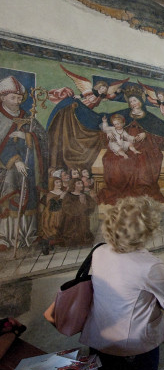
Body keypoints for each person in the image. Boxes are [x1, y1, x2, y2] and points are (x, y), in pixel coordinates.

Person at [80, 196, 164, 370]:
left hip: (100, 338)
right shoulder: (149, 265)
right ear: (146, 230)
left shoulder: (99, 252)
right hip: (133, 346)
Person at [0, 76, 47, 251]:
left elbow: (43, 139)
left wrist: (27, 137)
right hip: (5, 170)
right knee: (10, 197)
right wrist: (14, 160)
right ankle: (6, 238)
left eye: (20, 98)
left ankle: (28, 235)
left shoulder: (27, 116)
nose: (17, 102)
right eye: (13, 98)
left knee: (29, 199)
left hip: (29, 167)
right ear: (2, 97)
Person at [56, 178, 96, 247]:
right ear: (73, 185)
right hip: (71, 221)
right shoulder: (68, 196)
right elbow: (68, 209)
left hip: (83, 221)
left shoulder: (85, 196)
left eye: (81, 183)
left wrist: (85, 203)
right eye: (78, 183)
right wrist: (80, 203)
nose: (81, 185)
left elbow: (91, 208)